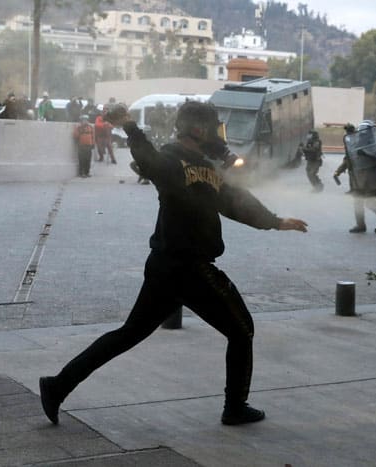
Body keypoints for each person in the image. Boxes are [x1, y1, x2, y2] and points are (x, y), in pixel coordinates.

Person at [39, 101, 308, 426]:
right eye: (212, 128)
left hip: (166, 267)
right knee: (241, 329)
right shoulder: (170, 161)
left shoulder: (206, 166)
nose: (217, 136)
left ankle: (57, 386)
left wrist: (275, 221)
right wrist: (130, 126)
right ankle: (235, 407)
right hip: (189, 266)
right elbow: (148, 160)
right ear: (198, 129)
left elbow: (235, 202)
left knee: (129, 334)